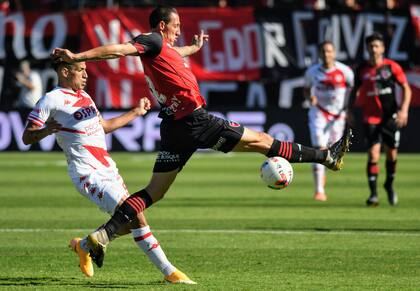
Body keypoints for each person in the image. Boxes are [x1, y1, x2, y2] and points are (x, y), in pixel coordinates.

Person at [51, 5, 352, 268]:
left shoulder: (161, 49)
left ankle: (101, 236)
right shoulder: (151, 40)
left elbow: (171, 53)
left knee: (154, 191)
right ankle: (326, 156)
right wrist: (78, 56)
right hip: (195, 120)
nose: (180, 31)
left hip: (173, 127)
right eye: (177, 25)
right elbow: (118, 49)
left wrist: (192, 50)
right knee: (262, 141)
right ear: (161, 26)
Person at [21, 60, 195, 284]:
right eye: (81, 70)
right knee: (136, 214)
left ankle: (83, 246)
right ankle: (170, 272)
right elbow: (27, 136)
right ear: (65, 72)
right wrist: (46, 130)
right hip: (87, 173)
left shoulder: (85, 97)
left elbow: (103, 126)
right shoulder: (51, 99)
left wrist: (135, 112)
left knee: (129, 222)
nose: (86, 75)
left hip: (109, 170)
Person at [351, 32, 411, 207]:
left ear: (383, 48)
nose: (374, 49)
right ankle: (373, 194)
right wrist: (348, 110)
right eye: (371, 46)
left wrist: (404, 110)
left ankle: (389, 185)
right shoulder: (362, 69)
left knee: (391, 155)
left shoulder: (391, 67)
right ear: (367, 49)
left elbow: (406, 88)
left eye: (377, 46)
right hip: (371, 118)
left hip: (390, 118)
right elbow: (355, 90)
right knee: (373, 154)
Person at [304, 41, 354, 202]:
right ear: (319, 53)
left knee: (332, 152)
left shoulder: (345, 71)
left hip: (338, 116)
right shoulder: (312, 72)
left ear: (334, 53)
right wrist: (308, 97)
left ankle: (322, 177)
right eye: (324, 51)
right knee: (319, 148)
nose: (326, 54)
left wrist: (349, 110)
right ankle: (319, 190)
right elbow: (306, 89)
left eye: (329, 51)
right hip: (318, 112)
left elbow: (352, 91)